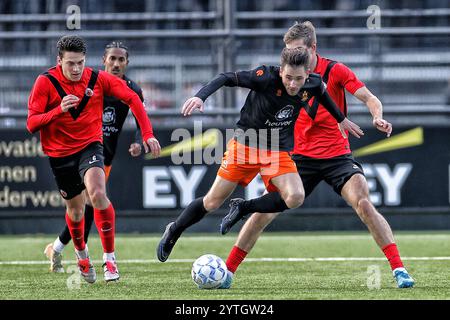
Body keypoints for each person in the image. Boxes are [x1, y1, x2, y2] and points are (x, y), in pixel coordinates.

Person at [221, 21, 414, 289]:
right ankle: (227, 271)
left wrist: (377, 116)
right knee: (264, 212)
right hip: (297, 157)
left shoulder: (335, 70)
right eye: (288, 52)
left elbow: (370, 99)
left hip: (337, 155)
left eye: (298, 51)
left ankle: (399, 269)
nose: (293, 58)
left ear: (314, 48)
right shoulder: (284, 75)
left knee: (364, 204)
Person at [156, 47, 364, 276]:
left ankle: (243, 207)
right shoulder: (265, 76)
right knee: (212, 202)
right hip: (247, 143)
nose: (293, 84)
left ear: (308, 74)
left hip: (277, 147)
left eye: (298, 79)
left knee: (295, 197)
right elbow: (226, 77)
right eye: (288, 78)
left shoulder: (313, 83)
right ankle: (174, 230)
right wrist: (200, 96)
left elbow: (323, 93)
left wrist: (341, 119)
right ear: (280, 71)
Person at [27, 35, 161, 283]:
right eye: (71, 64)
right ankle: (81, 256)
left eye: (80, 62)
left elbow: (132, 97)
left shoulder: (97, 78)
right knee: (76, 212)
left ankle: (110, 259)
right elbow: (32, 123)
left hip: (91, 147)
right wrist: (58, 110)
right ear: (59, 61)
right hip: (60, 154)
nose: (76, 69)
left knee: (98, 194)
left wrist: (147, 134)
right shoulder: (45, 82)